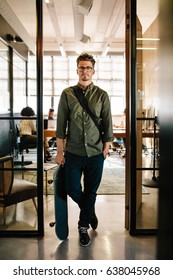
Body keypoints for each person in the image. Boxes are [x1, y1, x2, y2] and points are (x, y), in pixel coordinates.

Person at [55, 53, 114, 246]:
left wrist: (105, 149)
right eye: (81, 67)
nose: (85, 71)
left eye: (88, 68)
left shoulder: (102, 95)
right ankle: (90, 210)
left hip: (96, 153)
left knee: (91, 191)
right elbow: (61, 124)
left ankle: (83, 226)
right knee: (72, 188)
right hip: (73, 151)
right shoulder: (67, 94)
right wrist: (59, 152)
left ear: (93, 71)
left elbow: (108, 123)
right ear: (77, 70)